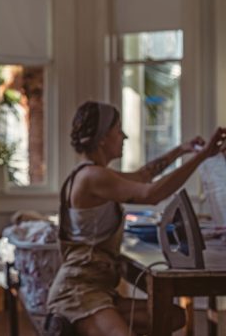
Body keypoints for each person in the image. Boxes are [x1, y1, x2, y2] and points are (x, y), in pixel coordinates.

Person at [45, 101, 226, 336]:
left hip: (99, 290)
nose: (125, 136)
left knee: (173, 316)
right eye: (119, 130)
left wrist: (182, 149)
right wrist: (202, 156)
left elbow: (143, 176)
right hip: (79, 293)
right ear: (102, 138)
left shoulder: (93, 173)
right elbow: (151, 194)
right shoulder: (92, 176)